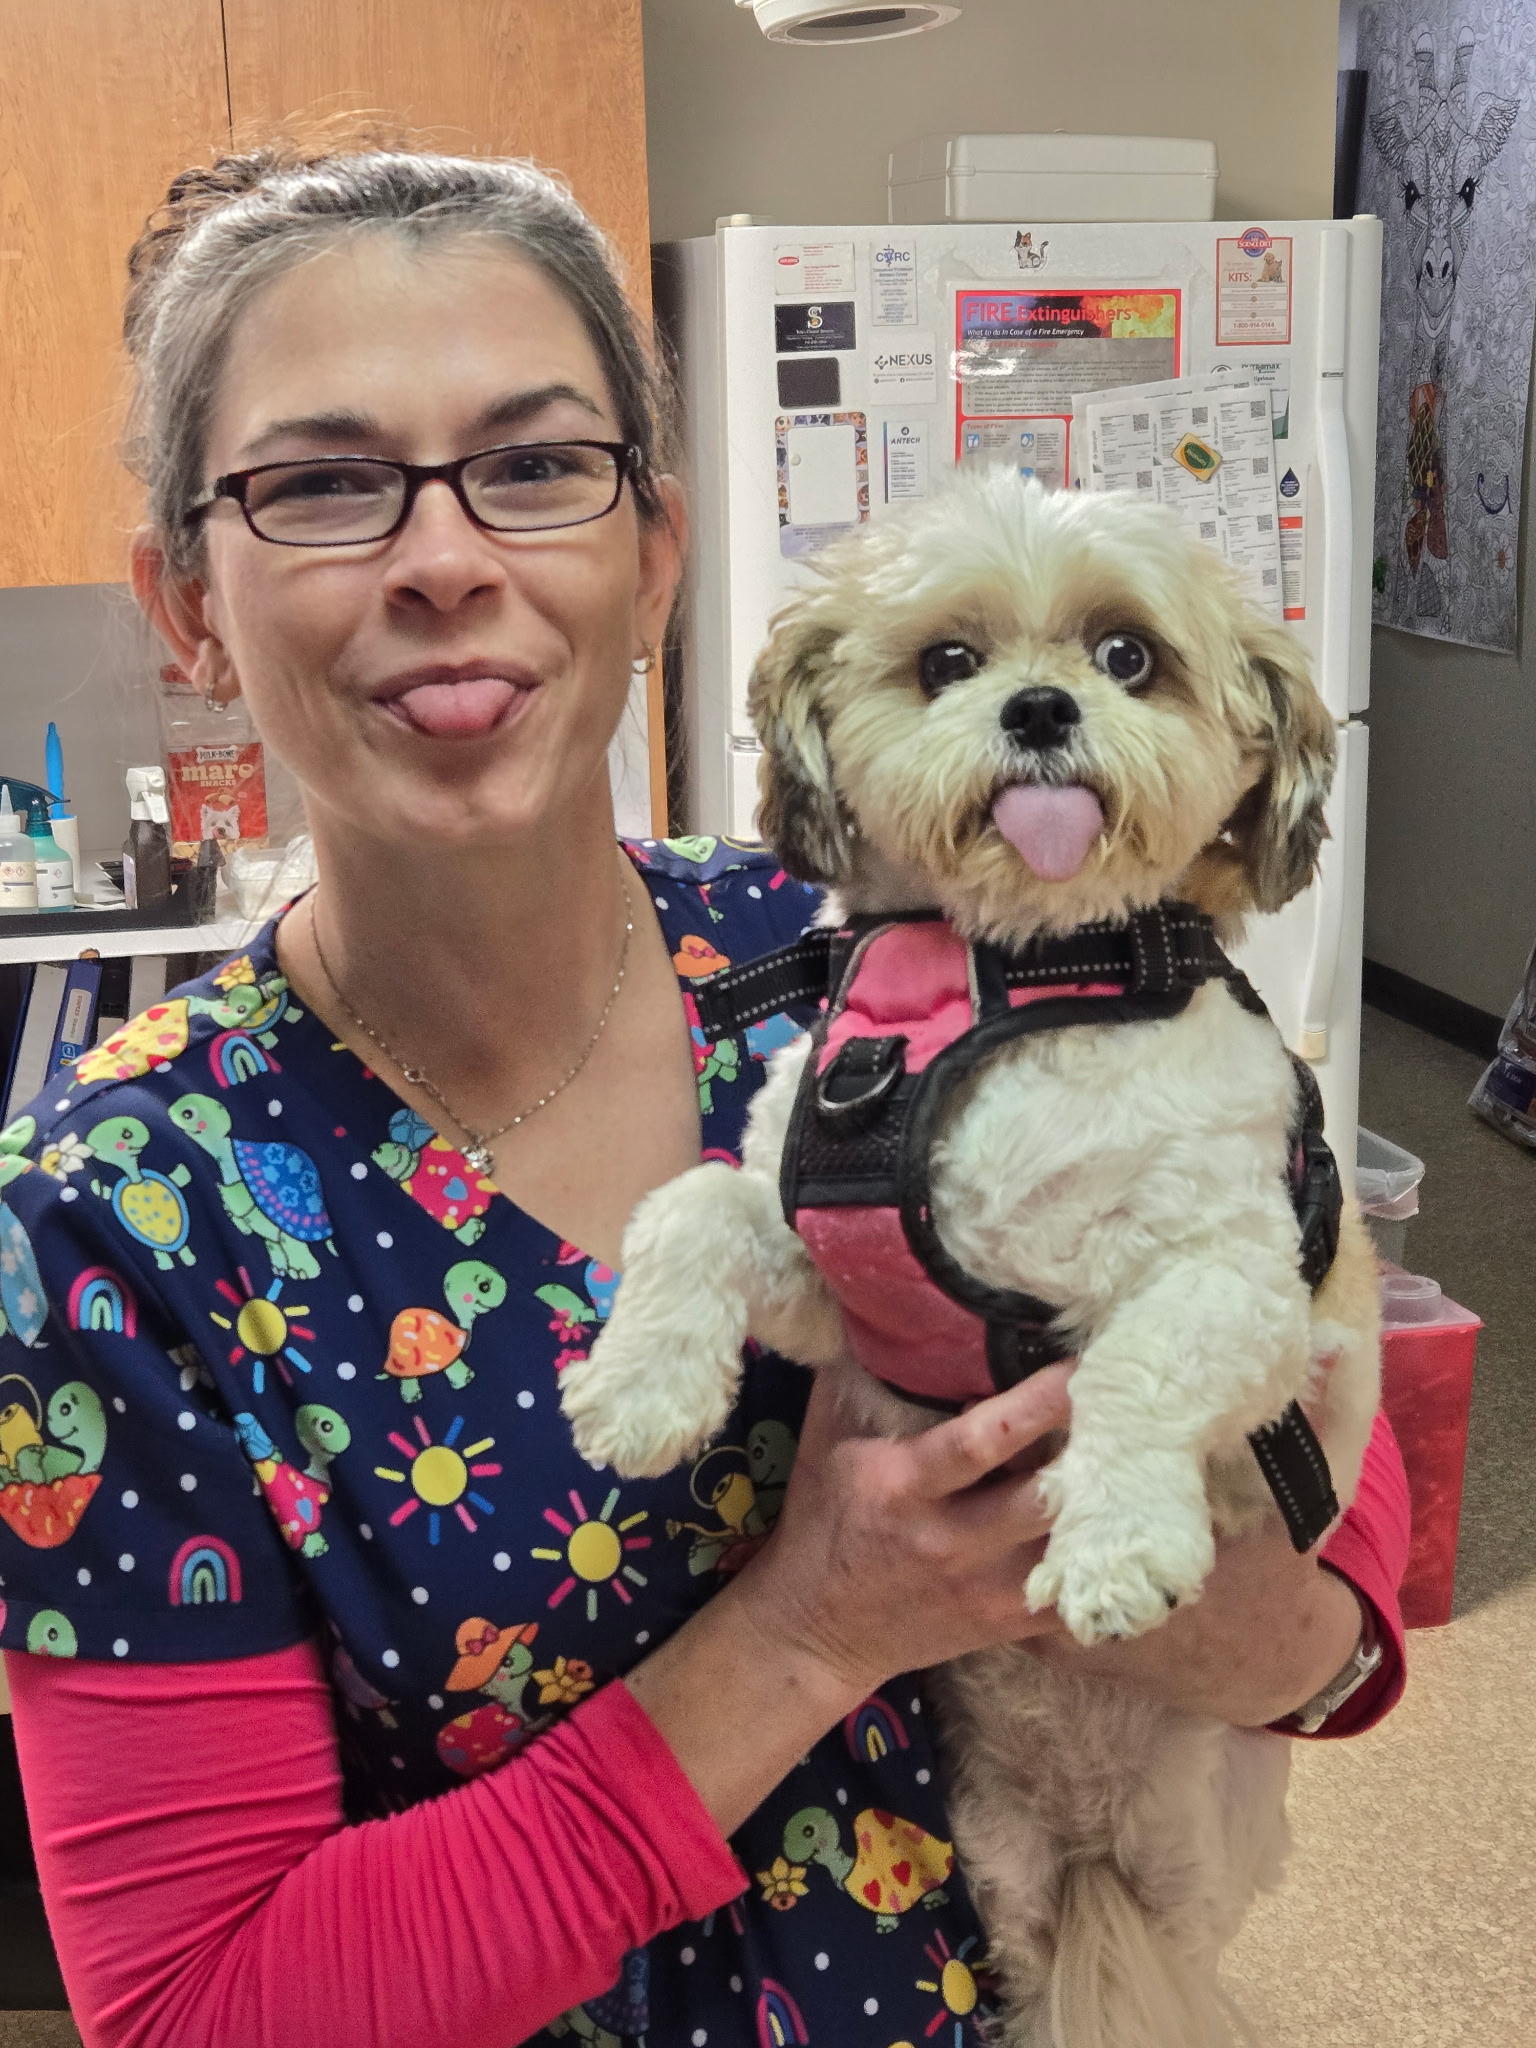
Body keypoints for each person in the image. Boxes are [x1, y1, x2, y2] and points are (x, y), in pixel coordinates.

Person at [0, 140, 1409, 2048]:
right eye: (322, 484)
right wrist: (816, 1625)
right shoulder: (99, 1227)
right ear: (186, 601)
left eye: (533, 465)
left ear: (653, 554)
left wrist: (1255, 1615)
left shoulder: (885, 948)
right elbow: (204, 2012)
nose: (444, 559)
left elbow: (1343, 1575)